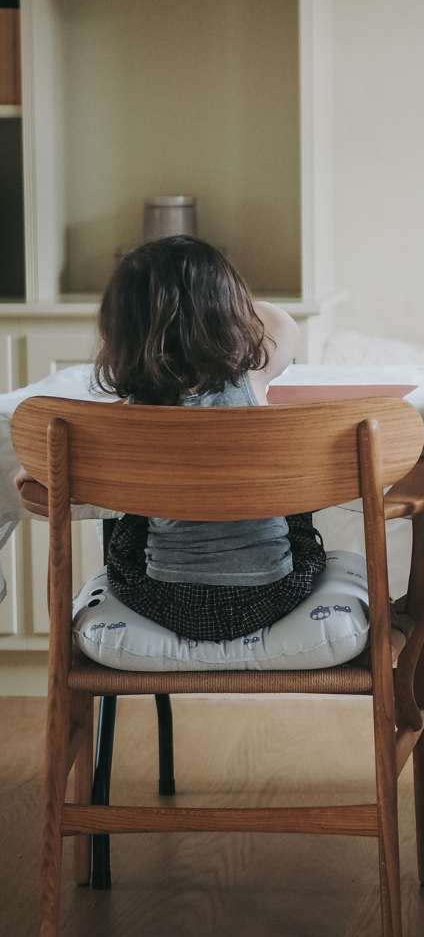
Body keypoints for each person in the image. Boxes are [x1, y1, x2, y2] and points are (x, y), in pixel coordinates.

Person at [85, 236, 322, 641]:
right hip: (273, 590)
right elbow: (281, 322)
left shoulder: (125, 419)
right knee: (290, 503)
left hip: (163, 597)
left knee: (132, 515)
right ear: (226, 311)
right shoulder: (252, 377)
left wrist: (33, 468)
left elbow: (54, 466)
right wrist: (231, 319)